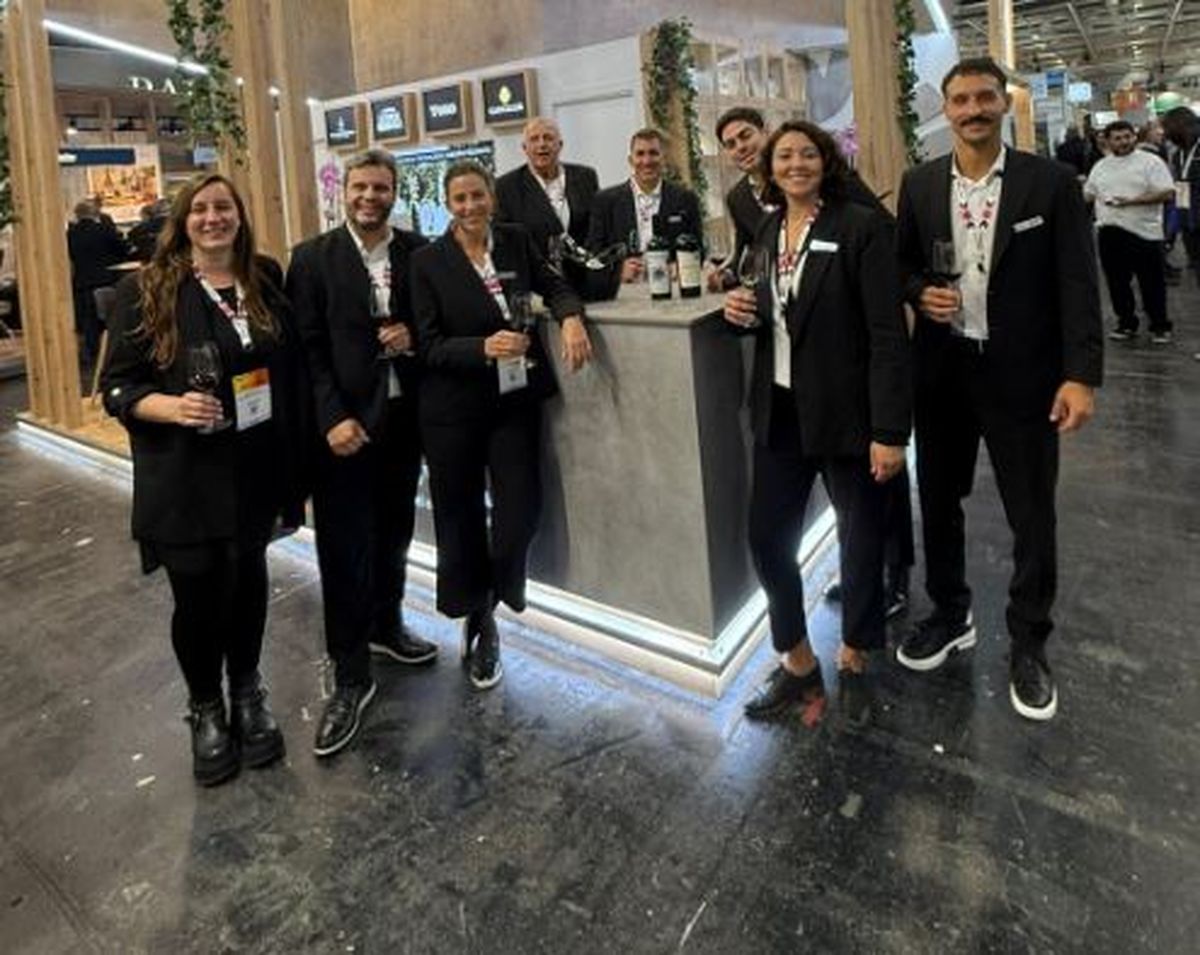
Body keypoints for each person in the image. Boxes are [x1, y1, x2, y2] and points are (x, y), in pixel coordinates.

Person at [895, 57, 1102, 721]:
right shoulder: (920, 184)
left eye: (985, 97)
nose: (974, 109)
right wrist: (914, 292)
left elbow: (1076, 280)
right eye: (961, 99)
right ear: (946, 110)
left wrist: (1080, 375)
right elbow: (902, 263)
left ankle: (1029, 643)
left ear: (1003, 104)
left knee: (1031, 512)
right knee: (940, 501)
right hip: (945, 371)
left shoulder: (1051, 183)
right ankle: (952, 612)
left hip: (1026, 375)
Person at [100, 174, 308, 786]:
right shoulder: (147, 289)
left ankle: (247, 691)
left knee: (248, 586)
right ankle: (206, 707)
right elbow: (119, 387)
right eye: (202, 209)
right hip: (186, 478)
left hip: (254, 471)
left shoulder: (264, 278)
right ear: (184, 220)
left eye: (225, 207)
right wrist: (172, 408)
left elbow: (288, 368)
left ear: (240, 217)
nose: (213, 218)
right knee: (197, 600)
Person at [722, 121, 911, 727]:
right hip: (779, 411)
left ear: (825, 163)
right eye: (785, 156)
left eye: (807, 154)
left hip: (848, 415)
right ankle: (798, 659)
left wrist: (890, 431)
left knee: (859, 540)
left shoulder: (860, 229)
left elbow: (887, 336)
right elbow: (774, 313)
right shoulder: (769, 229)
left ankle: (855, 652)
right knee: (766, 539)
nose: (796, 164)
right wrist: (737, 311)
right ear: (770, 170)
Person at [410, 161, 592, 690]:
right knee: (460, 519)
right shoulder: (428, 262)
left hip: (513, 402)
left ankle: (490, 593)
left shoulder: (514, 240)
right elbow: (428, 344)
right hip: (454, 409)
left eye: (477, 196)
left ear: (492, 196)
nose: (469, 207)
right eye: (459, 199)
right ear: (448, 204)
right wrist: (481, 348)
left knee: (521, 513)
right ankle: (480, 622)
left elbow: (554, 284)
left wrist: (571, 316)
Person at [288, 149, 438, 758]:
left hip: (404, 420)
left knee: (396, 529)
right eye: (360, 187)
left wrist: (413, 335)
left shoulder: (418, 252)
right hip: (344, 427)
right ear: (343, 191)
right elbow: (308, 348)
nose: (370, 197)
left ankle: (385, 625)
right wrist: (331, 418)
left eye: (380, 188)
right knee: (344, 546)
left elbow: (437, 321)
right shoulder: (312, 258)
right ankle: (350, 675)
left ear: (395, 193)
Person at [1083, 120, 1175, 344]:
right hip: (1109, 231)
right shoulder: (1101, 167)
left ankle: (1159, 326)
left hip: (1145, 232)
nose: (1123, 142)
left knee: (1151, 283)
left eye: (1127, 137)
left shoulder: (1150, 162)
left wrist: (1132, 201)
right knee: (1116, 283)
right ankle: (1126, 323)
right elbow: (1089, 195)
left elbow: (1167, 193)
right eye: (1118, 138)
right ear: (1108, 140)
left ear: (1134, 137)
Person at [586, 128, 703, 298]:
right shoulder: (605, 201)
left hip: (674, 291)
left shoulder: (685, 199)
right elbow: (593, 252)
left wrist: (680, 265)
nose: (647, 161)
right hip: (623, 292)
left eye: (653, 153)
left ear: (663, 158)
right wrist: (617, 269)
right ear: (630, 160)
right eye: (640, 154)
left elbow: (699, 248)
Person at [495, 117, 600, 297]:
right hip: (536, 287)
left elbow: (597, 229)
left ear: (560, 145)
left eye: (548, 138)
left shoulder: (585, 177)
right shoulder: (506, 187)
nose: (542, 144)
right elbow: (505, 244)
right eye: (534, 139)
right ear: (525, 148)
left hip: (585, 283)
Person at [67, 199, 128, 362]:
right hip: (106, 279)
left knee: (88, 321)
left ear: (77, 215)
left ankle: (92, 353)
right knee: (111, 318)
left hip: (82, 281)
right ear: (95, 213)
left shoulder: (69, 234)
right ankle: (112, 353)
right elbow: (123, 250)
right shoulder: (104, 230)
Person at [1161, 106, 1200, 286]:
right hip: (1190, 226)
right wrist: (1173, 229)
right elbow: (1181, 192)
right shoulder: (1179, 154)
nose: (1166, 134)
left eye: (1169, 129)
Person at [128, 199, 170, 263]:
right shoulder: (176, 225)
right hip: (170, 258)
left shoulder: (141, 228)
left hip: (148, 259)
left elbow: (131, 235)